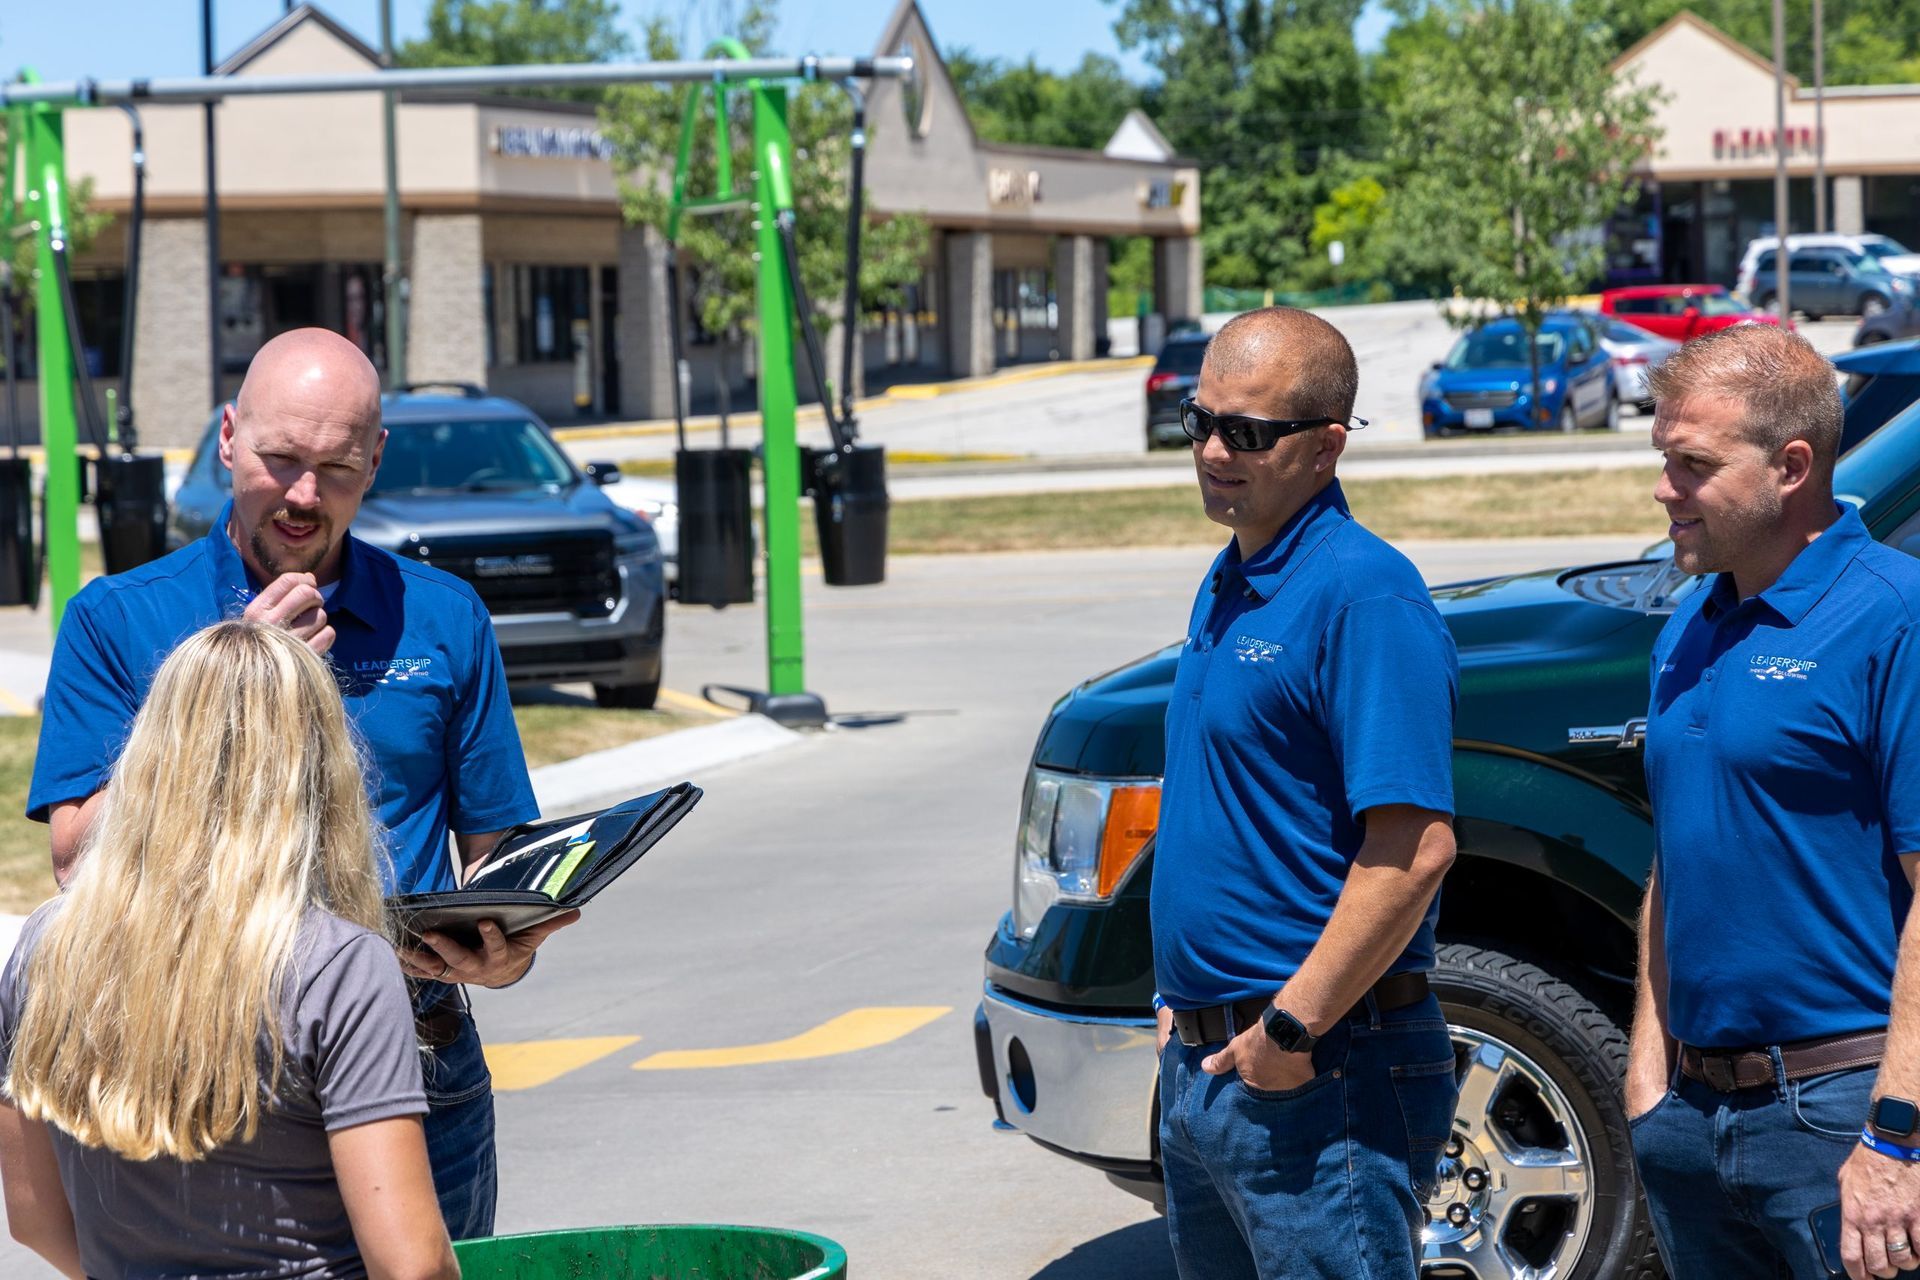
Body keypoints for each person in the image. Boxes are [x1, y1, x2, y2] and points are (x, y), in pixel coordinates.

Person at [26, 327, 573, 1239]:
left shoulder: (439, 616)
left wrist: (506, 943)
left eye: (340, 468)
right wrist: (236, 689)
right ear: (231, 436)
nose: (305, 496)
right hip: (201, 1051)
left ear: (378, 460)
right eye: (280, 459)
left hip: (418, 1050)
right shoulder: (120, 619)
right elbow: (78, 858)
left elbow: (495, 851)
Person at [1150, 306, 1461, 1279]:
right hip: (1208, 1061)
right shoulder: (1234, 574)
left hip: (1320, 1067)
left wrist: (1288, 1029)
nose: (1210, 449)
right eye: (1196, 422)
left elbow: (1413, 849)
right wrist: (1178, 1008)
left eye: (1245, 431)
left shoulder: (1365, 593)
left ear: (1327, 446)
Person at [0, 620, 457, 1280]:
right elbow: (411, 1264)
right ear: (321, 763)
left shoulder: (47, 946)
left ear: (150, 753)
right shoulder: (337, 965)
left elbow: (33, 1217)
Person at [1628, 324, 1920, 1280]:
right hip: (1691, 1119)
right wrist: (1647, 1081)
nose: (1664, 487)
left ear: (1792, 467)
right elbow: (1674, 858)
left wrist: (1897, 1137)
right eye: (1663, 457)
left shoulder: (1894, 617)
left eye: (1693, 464)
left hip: (1842, 1118)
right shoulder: (1690, 621)